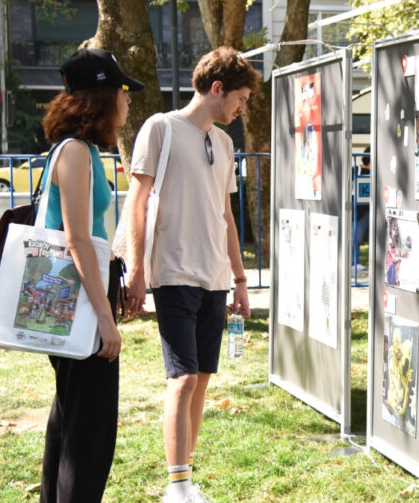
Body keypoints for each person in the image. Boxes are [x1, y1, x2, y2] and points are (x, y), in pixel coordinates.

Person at [124, 46, 261, 503]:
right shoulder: (160, 128)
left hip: (215, 278)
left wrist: (240, 280)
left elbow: (224, 215)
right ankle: (177, 486)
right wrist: (137, 269)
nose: (242, 109)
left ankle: (185, 479)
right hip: (174, 274)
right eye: (240, 98)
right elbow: (137, 203)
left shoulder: (223, 145)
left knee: (201, 378)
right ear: (217, 89)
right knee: (182, 378)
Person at [38, 48, 144, 503]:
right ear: (101, 96)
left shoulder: (76, 151)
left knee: (69, 423)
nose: (128, 101)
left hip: (74, 303)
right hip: (80, 307)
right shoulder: (77, 153)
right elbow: (77, 240)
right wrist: (105, 320)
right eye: (123, 90)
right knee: (89, 436)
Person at [352, 146, 370, 271]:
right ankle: (354, 262)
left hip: (366, 208)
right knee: (356, 236)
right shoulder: (356, 170)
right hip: (359, 208)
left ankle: (356, 262)